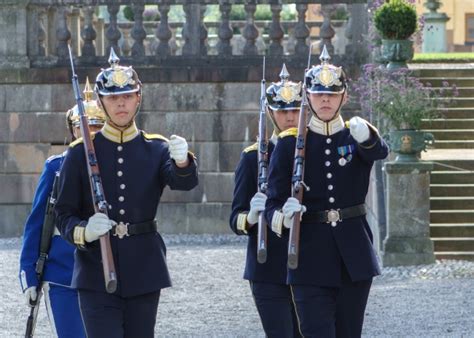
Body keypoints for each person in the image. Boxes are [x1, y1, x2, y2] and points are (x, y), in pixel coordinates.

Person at [54, 49, 198, 337]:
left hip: (144, 267)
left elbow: (183, 182)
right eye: (113, 97)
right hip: (95, 269)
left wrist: (183, 161)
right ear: (102, 102)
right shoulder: (80, 152)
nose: (121, 103)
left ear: (138, 98)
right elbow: (62, 213)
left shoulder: (155, 148)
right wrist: (84, 231)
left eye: (127, 96)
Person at [265, 46, 389, 337]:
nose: (325, 99)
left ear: (344, 97)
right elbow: (271, 204)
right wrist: (283, 215)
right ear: (307, 95)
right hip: (309, 254)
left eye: (332, 94)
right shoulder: (288, 144)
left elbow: (379, 152)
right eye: (319, 93)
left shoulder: (355, 135)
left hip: (353, 253)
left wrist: (368, 136)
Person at [19, 79, 106, 337]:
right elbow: (37, 224)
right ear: (73, 130)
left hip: (105, 276)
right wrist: (28, 275)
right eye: (83, 126)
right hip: (63, 274)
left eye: (96, 126)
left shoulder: (117, 166)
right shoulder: (56, 167)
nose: (89, 132)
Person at [230, 64, 302, 337]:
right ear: (271, 113)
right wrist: (250, 217)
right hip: (267, 265)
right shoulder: (252, 158)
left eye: (295, 110)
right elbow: (234, 219)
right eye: (283, 111)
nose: (290, 117)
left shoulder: (315, 152)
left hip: (309, 264)